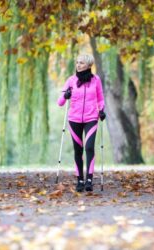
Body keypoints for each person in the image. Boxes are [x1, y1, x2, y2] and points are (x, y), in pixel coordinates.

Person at [57, 53, 105, 192]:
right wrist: (65, 96)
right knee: (78, 150)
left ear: (89, 65)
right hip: (74, 119)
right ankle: (80, 180)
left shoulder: (96, 80)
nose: (78, 65)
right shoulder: (71, 80)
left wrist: (101, 110)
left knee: (89, 147)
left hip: (91, 118)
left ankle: (89, 179)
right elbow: (60, 102)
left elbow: (100, 99)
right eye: (77, 62)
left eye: (82, 63)